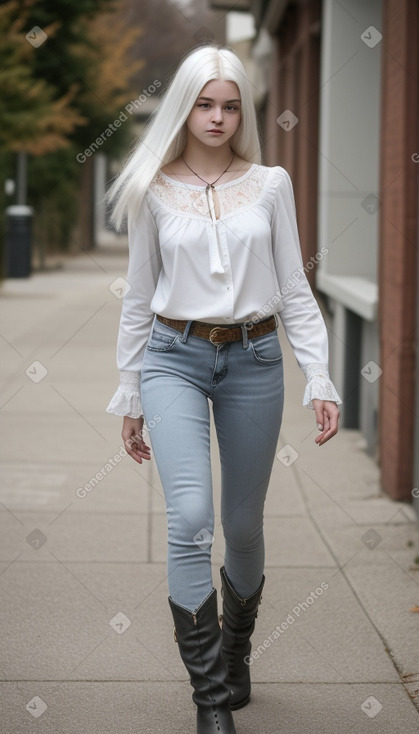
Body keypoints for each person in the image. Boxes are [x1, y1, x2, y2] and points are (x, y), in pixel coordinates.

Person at [106, 42, 342, 734]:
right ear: (184, 106)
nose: (217, 117)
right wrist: (129, 392)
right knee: (188, 521)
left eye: (230, 105)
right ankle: (210, 699)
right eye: (205, 104)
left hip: (254, 359)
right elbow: (138, 295)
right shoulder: (152, 186)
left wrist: (319, 376)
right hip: (172, 357)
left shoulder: (270, 183)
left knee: (240, 527)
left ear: (244, 111)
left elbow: (294, 288)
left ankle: (235, 652)